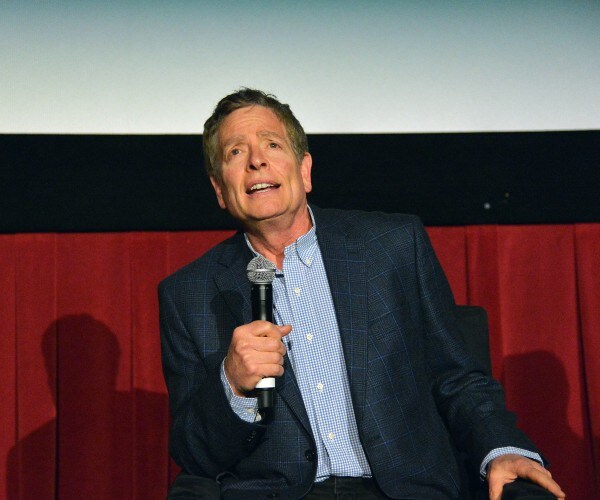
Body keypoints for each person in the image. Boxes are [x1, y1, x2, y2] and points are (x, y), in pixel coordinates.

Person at [158, 88, 565, 499]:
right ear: (220, 190)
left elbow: (456, 377)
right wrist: (232, 385)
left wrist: (501, 448)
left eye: (272, 144)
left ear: (304, 170)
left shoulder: (393, 246)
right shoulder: (187, 296)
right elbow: (194, 454)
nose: (256, 160)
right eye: (235, 152)